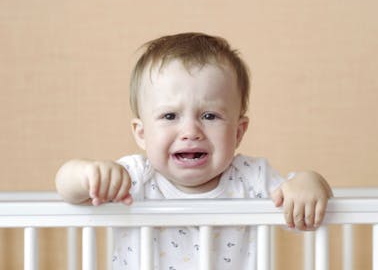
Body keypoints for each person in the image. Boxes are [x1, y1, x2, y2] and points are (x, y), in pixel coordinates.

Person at [55, 32, 333, 269]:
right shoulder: (134, 178)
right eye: (170, 116)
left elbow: (300, 202)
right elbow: (66, 187)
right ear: (141, 133)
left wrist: (310, 181)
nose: (191, 131)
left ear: (238, 132)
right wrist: (89, 174)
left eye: (209, 116)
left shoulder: (253, 178)